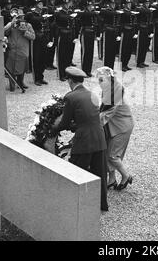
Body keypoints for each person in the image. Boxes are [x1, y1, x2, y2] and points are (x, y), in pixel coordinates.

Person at [52, 66, 109, 211]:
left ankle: (75, 205)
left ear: (70, 81)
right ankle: (102, 205)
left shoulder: (70, 97)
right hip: (99, 138)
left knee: (77, 173)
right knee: (99, 173)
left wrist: (53, 128)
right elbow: (87, 118)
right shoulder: (92, 94)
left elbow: (65, 122)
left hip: (84, 141)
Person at [95, 67, 134, 191]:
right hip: (116, 126)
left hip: (122, 127)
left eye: (101, 79)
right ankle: (111, 180)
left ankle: (126, 175)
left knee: (113, 156)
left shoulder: (114, 93)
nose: (99, 82)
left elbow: (106, 114)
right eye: (98, 80)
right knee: (108, 153)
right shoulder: (110, 88)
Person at [4, 9, 35, 91]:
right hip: (12, 50)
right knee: (10, 68)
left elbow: (33, 37)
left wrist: (25, 31)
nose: (19, 19)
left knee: (22, 67)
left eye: (21, 17)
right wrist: (11, 24)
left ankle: (20, 82)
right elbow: (3, 32)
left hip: (23, 50)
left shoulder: (28, 25)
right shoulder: (11, 24)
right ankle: (12, 85)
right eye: (18, 17)